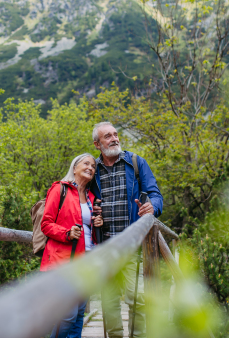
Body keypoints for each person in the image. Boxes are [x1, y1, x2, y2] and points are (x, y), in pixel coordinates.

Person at [92, 121, 163, 338]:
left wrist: (153, 206)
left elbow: (156, 195)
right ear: (97, 144)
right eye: (107, 136)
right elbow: (83, 201)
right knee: (109, 300)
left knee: (136, 299)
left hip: (132, 245)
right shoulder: (92, 169)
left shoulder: (135, 162)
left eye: (115, 134)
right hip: (106, 246)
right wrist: (94, 215)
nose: (114, 138)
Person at [40, 153, 104, 338]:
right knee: (67, 316)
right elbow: (46, 224)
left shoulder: (91, 198)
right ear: (74, 167)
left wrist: (97, 224)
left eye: (93, 166)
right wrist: (66, 233)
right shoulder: (60, 189)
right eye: (86, 164)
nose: (91, 168)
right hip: (62, 261)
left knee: (78, 317)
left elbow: (86, 230)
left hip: (86, 261)